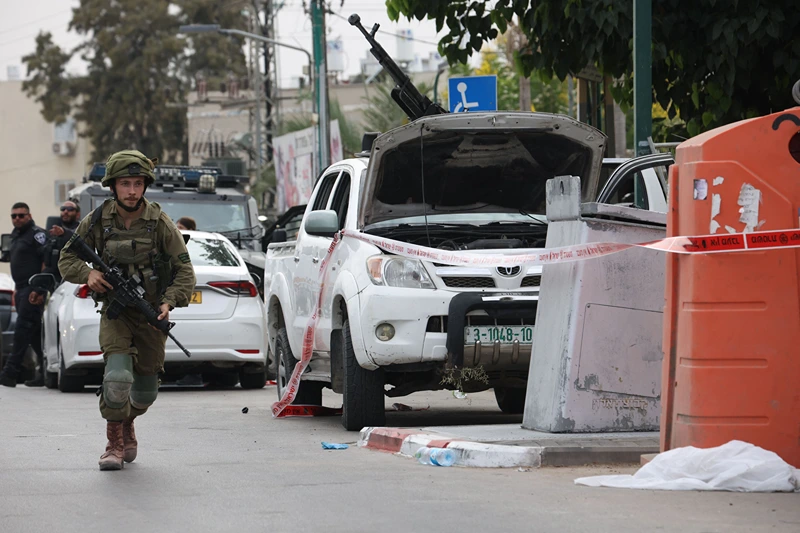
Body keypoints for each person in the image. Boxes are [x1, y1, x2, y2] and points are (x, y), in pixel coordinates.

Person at [58, 150, 196, 471]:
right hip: (115, 314)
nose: (132, 191)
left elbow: (185, 272)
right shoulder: (96, 221)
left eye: (137, 183)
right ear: (112, 186)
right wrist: (88, 274)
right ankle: (114, 444)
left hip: (150, 315)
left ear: (145, 185)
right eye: (125, 184)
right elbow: (67, 258)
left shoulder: (160, 223)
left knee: (146, 393)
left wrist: (168, 301)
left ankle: (128, 421)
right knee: (118, 378)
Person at [18, 201, 83, 387]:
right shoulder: (53, 235)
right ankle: (45, 371)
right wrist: (39, 288)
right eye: (63, 209)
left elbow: (85, 246)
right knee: (43, 331)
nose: (65, 212)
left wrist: (66, 235)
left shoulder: (81, 231)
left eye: (70, 209)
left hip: (75, 286)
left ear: (77, 214)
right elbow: (49, 265)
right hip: (56, 290)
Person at [0, 203, 47, 388]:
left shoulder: (37, 234)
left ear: (29, 215)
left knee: (22, 330)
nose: (17, 219)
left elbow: (46, 261)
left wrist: (40, 289)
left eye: (21, 215)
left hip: (32, 289)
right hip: (20, 289)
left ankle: (9, 373)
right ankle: (43, 373)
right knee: (34, 334)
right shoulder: (16, 236)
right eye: (14, 216)